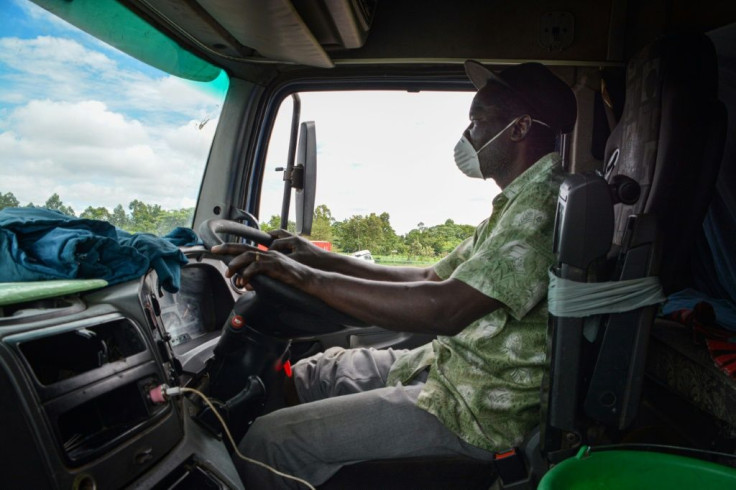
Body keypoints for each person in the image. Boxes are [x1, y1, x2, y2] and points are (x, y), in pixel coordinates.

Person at [212, 60, 577, 488]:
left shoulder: (541, 207)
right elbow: (431, 277)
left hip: (477, 408)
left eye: (477, 122)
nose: (467, 137)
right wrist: (319, 259)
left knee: (269, 442)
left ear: (518, 128)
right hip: (451, 369)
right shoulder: (516, 204)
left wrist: (305, 278)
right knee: (312, 373)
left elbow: (445, 310)